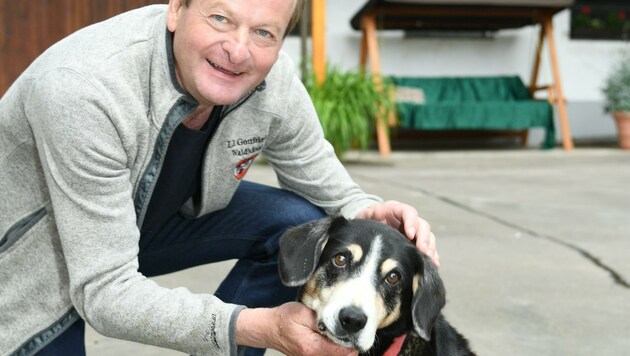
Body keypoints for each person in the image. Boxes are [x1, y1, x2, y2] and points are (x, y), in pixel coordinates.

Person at [0, 0, 439, 355]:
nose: (239, 50)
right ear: (176, 10)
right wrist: (254, 327)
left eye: (264, 32)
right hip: (31, 262)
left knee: (295, 224)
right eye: (220, 18)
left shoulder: (268, 77)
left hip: (140, 222)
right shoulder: (83, 90)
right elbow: (105, 292)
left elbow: (317, 170)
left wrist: (367, 209)